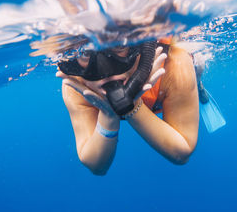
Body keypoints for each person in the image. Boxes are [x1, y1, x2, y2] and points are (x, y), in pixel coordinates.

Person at [56, 38, 200, 175]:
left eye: (119, 45)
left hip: (168, 85)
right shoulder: (75, 83)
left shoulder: (174, 62)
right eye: (86, 53)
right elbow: (96, 166)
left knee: (197, 66)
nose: (106, 72)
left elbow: (182, 153)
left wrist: (131, 106)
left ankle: (198, 83)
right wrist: (108, 116)